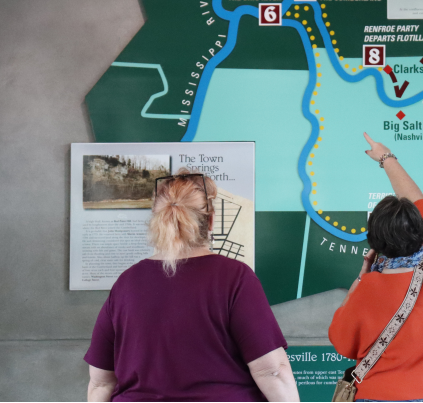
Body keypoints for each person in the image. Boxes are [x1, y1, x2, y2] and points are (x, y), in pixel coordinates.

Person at [84, 170, 299, 402]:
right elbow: (272, 371)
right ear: (210, 220)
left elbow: (101, 382)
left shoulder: (126, 283)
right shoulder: (234, 278)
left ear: (157, 221)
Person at [328, 134, 423, 402]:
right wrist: (386, 157)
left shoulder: (367, 290)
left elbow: (342, 343)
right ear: (421, 230)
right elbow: (415, 198)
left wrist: (361, 279)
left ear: (375, 241)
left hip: (385, 395)